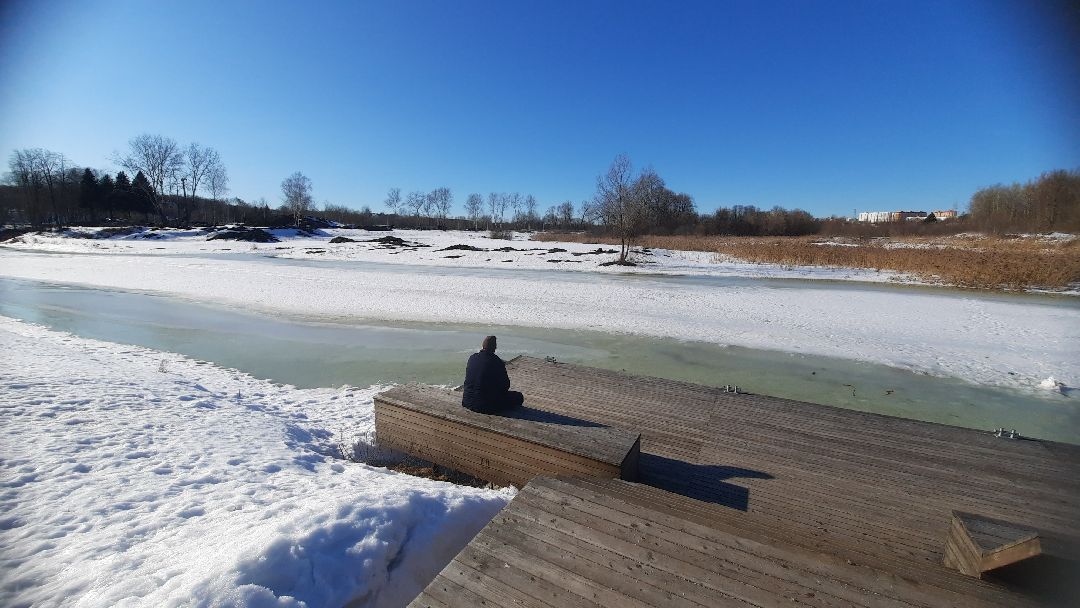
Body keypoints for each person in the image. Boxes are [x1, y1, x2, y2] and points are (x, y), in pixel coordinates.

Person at [462, 335, 524, 414]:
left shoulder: (472, 358)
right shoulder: (497, 362)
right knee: (519, 397)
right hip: (486, 406)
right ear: (494, 348)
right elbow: (506, 385)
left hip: (467, 401)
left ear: (482, 346)